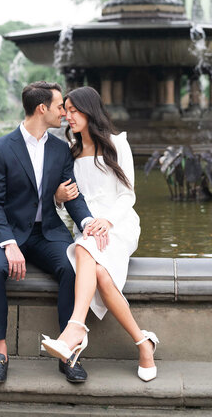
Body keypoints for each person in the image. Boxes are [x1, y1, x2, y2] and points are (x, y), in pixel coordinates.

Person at [0, 81, 103, 385]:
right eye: (61, 106)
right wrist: (8, 243)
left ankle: (68, 351)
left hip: (47, 230)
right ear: (42, 108)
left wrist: (88, 223)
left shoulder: (61, 149)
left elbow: (72, 195)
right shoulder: (0, 148)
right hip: (6, 231)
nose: (65, 112)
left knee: (72, 267)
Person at [42, 86, 159, 382]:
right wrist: (58, 196)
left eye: (73, 110)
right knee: (102, 276)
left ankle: (75, 329)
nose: (68, 116)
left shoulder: (117, 144)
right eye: (65, 110)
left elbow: (128, 195)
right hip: (87, 225)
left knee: (83, 249)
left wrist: (106, 221)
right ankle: (143, 345)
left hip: (118, 223)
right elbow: (67, 198)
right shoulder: (72, 152)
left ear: (89, 110)